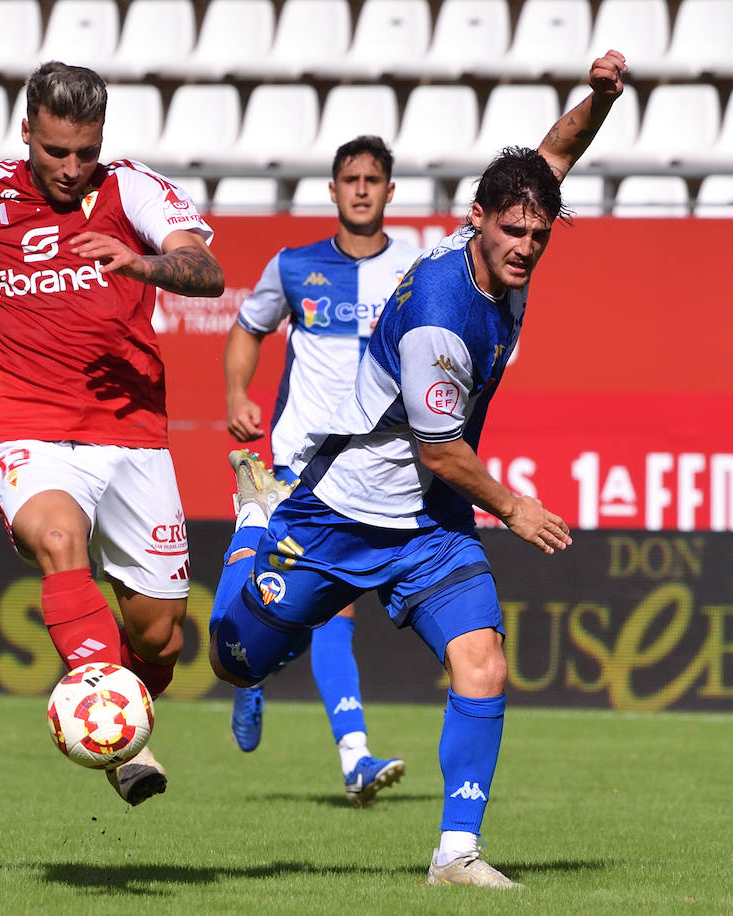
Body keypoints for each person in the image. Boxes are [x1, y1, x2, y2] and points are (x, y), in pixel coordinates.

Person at [208, 51, 628, 887]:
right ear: (477, 220)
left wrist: (601, 98)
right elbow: (441, 449)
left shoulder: (507, 226)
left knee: (482, 659)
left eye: (540, 235)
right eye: (514, 233)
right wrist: (515, 507)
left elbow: (553, 156)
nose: (528, 247)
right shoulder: (441, 317)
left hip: (426, 526)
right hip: (339, 510)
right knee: (234, 661)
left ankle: (454, 853)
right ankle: (254, 525)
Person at [0, 62, 225, 807]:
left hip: (129, 433)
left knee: (160, 640)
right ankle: (113, 727)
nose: (71, 168)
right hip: (21, 422)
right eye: (57, 151)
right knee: (59, 541)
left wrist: (144, 262)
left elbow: (207, 269)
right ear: (27, 133)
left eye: (85, 152)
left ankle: (123, 699)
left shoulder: (134, 191)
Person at [219, 135, 421, 804]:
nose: (361, 189)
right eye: (350, 179)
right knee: (251, 586)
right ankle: (246, 677)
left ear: (390, 191)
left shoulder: (417, 270)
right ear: (332, 191)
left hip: (363, 474)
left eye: (373, 179)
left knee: (331, 616)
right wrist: (237, 395)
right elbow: (247, 328)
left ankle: (355, 758)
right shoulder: (293, 266)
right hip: (287, 464)